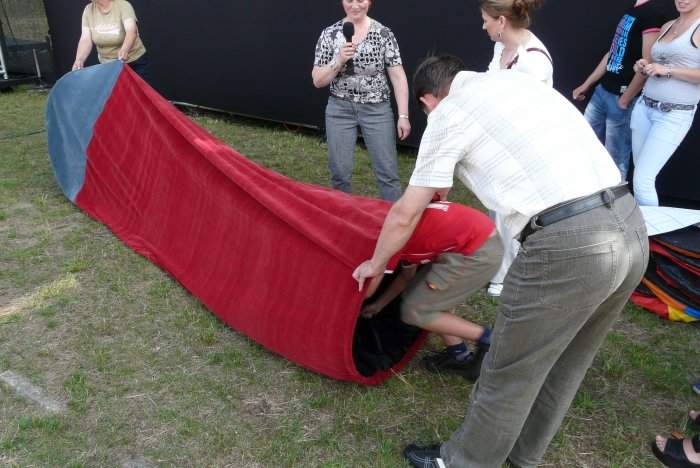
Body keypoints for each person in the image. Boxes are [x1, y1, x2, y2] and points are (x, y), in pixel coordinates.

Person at [353, 55, 649, 468]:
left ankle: (464, 462)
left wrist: (375, 264)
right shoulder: (519, 84)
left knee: (508, 371)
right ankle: (520, 458)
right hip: (630, 225)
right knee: (566, 364)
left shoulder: (449, 112)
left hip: (570, 244)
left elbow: (406, 212)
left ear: (427, 101)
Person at [361, 200, 502, 379]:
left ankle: (489, 340)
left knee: (415, 311)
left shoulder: (392, 241)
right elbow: (406, 277)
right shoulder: (400, 223)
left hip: (477, 252)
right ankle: (459, 354)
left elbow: (369, 288)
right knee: (423, 295)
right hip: (471, 241)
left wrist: (356, 302)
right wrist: (379, 305)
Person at [480, 0, 553, 298]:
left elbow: (529, 113)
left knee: (509, 212)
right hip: (500, 140)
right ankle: (494, 266)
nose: (483, 26)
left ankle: (504, 276)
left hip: (523, 145)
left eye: (486, 20)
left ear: (501, 21)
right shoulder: (502, 46)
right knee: (495, 207)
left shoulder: (534, 61)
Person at [312, 0, 410, 201]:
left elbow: (398, 76)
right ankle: (342, 215)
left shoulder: (383, 33)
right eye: (349, 0)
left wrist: (403, 116)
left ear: (370, 2)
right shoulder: (330, 34)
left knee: (388, 174)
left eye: (361, 0)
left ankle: (393, 218)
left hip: (377, 110)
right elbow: (318, 81)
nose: (355, 5)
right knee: (340, 174)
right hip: (339, 110)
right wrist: (338, 60)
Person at [573, 0, 672, 182]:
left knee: (615, 158)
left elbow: (648, 63)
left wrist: (626, 98)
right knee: (583, 145)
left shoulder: (654, 12)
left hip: (620, 97)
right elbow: (613, 52)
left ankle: (614, 199)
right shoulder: (635, 8)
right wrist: (587, 84)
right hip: (603, 90)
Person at [630, 0, 700, 206]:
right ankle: (643, 224)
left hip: (673, 115)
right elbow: (657, 63)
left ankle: (649, 226)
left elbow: (669, 68)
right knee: (639, 176)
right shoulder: (668, 25)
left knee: (642, 181)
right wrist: (644, 66)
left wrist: (668, 70)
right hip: (644, 107)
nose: (683, 0)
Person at [72, 0, 150, 81]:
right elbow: (85, 39)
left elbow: (131, 32)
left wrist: (124, 49)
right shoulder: (88, 10)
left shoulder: (123, 5)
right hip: (108, 66)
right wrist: (79, 60)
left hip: (134, 63)